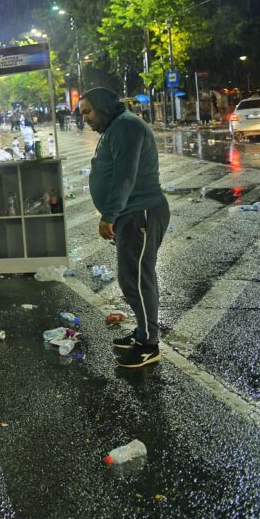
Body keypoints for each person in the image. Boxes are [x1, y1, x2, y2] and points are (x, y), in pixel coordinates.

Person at [79, 88, 169, 368]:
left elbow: (125, 175)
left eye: (88, 111)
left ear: (103, 107)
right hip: (131, 214)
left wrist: (109, 215)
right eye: (82, 113)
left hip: (139, 213)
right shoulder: (117, 126)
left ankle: (149, 345)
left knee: (138, 280)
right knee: (132, 278)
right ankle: (143, 334)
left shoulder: (126, 126)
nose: (85, 118)